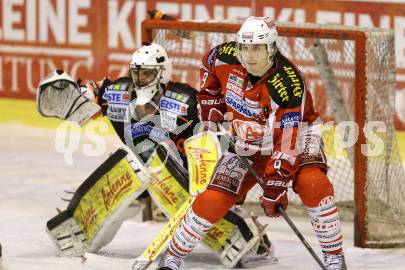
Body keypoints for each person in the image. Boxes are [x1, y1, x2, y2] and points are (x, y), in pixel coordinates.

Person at [38, 42, 277, 268]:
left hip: (183, 180)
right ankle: (80, 225)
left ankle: (242, 233)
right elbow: (90, 92)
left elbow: (216, 133)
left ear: (162, 73)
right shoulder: (118, 93)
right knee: (127, 163)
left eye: (147, 74)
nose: (139, 80)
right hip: (139, 174)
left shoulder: (186, 101)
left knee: (158, 161)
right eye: (136, 73)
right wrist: (71, 95)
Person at [156, 16, 346, 270]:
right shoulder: (224, 56)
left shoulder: (287, 83)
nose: (249, 56)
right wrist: (211, 104)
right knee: (213, 198)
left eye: (256, 49)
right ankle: (173, 257)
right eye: (244, 48)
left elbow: (287, 142)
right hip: (246, 139)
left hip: (298, 137)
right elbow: (208, 67)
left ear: (272, 48)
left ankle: (334, 258)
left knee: (313, 184)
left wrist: (275, 183)